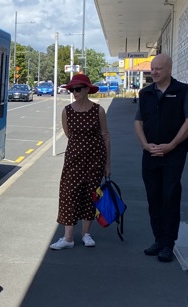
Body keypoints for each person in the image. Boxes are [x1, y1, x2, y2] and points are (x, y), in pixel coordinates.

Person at [134, 53, 188, 262]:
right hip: (150, 153)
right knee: (153, 197)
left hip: (174, 154)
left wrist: (171, 145)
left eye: (158, 68)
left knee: (169, 196)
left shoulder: (183, 91)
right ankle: (158, 239)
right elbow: (138, 122)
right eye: (152, 68)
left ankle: (168, 243)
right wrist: (145, 145)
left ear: (169, 69)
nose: (154, 72)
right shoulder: (145, 93)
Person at [49, 74, 111, 250]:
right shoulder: (67, 111)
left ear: (86, 90)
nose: (74, 92)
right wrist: (81, 147)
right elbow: (69, 135)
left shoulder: (98, 110)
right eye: (71, 89)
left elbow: (105, 136)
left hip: (95, 159)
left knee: (90, 195)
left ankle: (86, 234)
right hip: (74, 160)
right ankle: (68, 238)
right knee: (69, 195)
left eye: (77, 89)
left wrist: (107, 164)